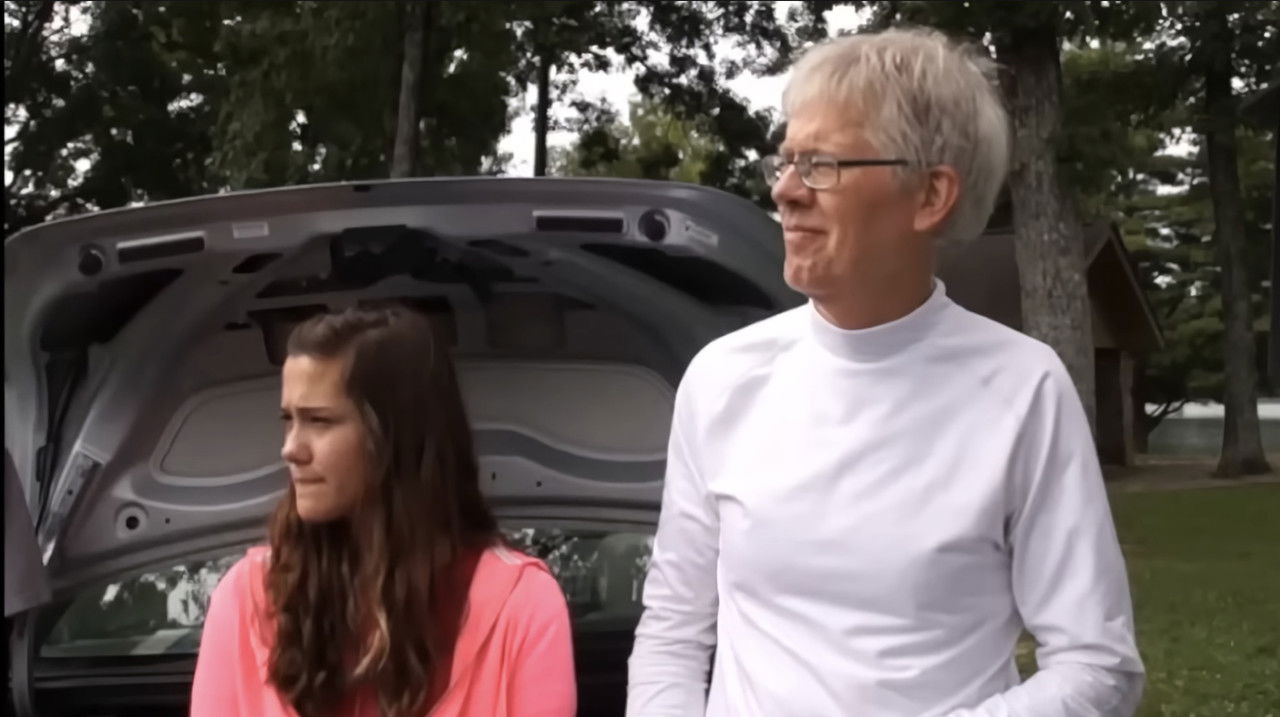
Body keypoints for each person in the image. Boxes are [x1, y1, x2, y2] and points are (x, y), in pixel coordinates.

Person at [627, 27, 1144, 717]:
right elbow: (672, 629)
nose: (784, 191)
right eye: (782, 162)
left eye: (820, 165)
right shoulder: (723, 378)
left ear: (930, 195)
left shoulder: (1023, 390)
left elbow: (1098, 665)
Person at [191, 305, 576, 717]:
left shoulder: (522, 606)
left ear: (394, 438)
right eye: (289, 420)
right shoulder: (245, 597)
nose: (291, 448)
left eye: (319, 421)